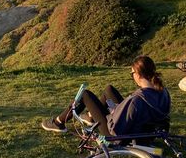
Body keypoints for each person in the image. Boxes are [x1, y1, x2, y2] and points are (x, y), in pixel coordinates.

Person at [41, 55, 171, 137]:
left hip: (119, 134)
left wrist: (112, 113)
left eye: (131, 74)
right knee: (109, 90)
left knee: (85, 94)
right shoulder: (163, 92)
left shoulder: (137, 98)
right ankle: (91, 116)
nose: (132, 77)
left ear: (138, 74)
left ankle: (59, 122)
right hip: (145, 130)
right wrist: (118, 110)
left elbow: (115, 128)